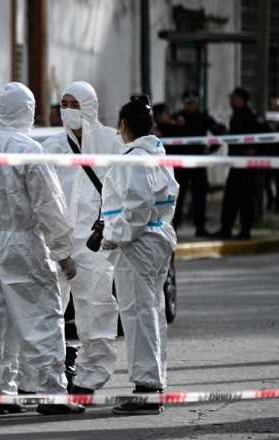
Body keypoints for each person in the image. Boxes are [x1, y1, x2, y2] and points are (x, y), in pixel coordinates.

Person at [0, 82, 83, 416]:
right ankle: (51, 393)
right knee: (40, 317)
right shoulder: (29, 150)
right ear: (27, 111)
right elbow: (48, 205)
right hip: (21, 242)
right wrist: (63, 251)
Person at [39, 81, 120, 396]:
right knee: (48, 311)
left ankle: (89, 378)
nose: (68, 111)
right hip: (55, 243)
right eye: (64, 104)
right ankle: (50, 376)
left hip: (94, 244)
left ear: (90, 106)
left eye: (75, 104)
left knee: (95, 309)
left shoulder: (111, 142)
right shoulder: (51, 148)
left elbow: (124, 187)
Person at [100, 95, 178, 415]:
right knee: (152, 312)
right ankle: (154, 382)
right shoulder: (157, 152)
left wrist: (112, 235)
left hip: (136, 245)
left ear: (123, 126)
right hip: (156, 240)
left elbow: (136, 207)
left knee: (138, 316)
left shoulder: (134, 157)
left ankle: (145, 389)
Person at [171, 91, 225, 237]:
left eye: (193, 103)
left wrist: (211, 149)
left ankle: (200, 227)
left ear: (197, 103)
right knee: (178, 197)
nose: (190, 105)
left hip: (198, 163)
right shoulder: (177, 117)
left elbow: (220, 132)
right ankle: (174, 226)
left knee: (200, 196)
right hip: (180, 164)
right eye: (188, 103)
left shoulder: (203, 118)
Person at [215, 87, 266, 240]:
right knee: (230, 198)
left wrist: (253, 149)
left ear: (242, 100)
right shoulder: (236, 116)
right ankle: (226, 228)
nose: (231, 101)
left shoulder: (251, 117)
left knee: (246, 199)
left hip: (247, 166)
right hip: (236, 163)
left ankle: (245, 230)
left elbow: (262, 136)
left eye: (234, 98)